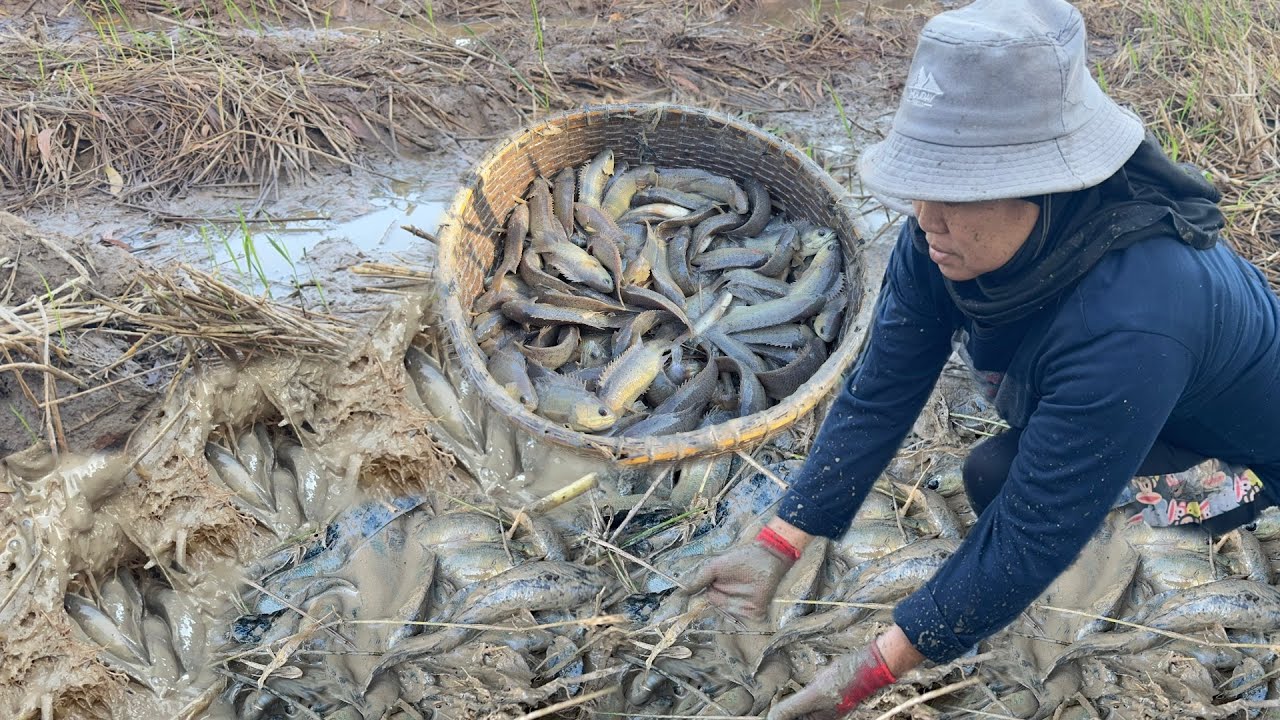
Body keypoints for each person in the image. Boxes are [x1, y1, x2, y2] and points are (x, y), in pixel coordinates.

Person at [679, 0, 1280, 718]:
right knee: (995, 477)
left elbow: (1031, 532)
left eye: (957, 195)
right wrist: (776, 543)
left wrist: (868, 671)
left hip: (1248, 470)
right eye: (922, 186)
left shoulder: (1137, 314)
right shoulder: (940, 237)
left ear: (1049, 187)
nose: (925, 219)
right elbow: (880, 392)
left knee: (1051, 515)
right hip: (1143, 412)